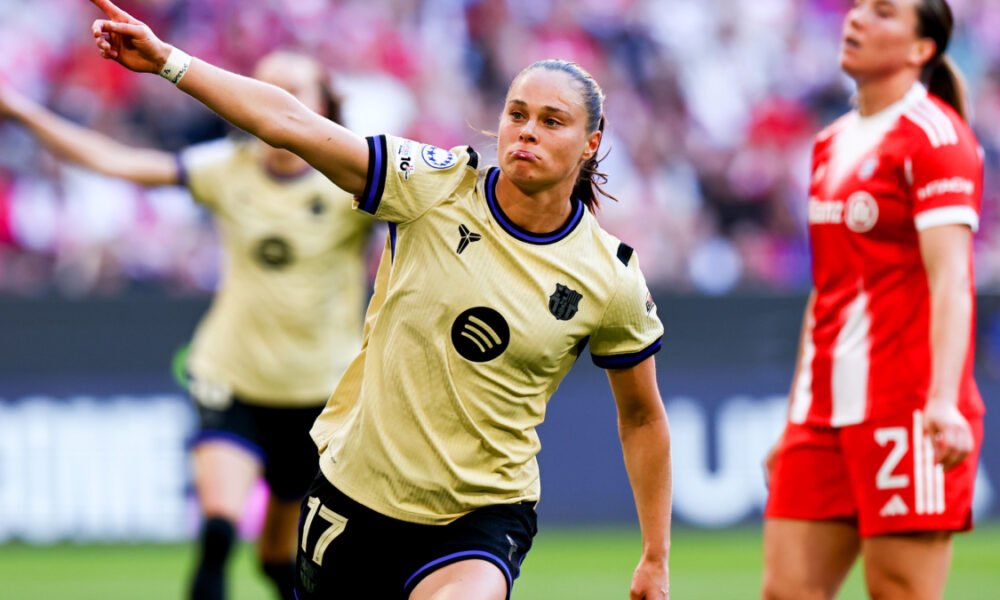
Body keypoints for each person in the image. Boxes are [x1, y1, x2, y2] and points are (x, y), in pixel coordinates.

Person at [87, 1, 673, 599]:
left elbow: (643, 416)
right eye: (517, 113)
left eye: (553, 121)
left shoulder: (610, 277)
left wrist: (655, 554)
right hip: (354, 495)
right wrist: (170, 63)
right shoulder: (431, 186)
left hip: (479, 519)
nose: (527, 130)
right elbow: (293, 122)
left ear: (590, 142)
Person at [0, 50, 375, 600]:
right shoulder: (226, 169)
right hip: (232, 375)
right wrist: (22, 112)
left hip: (318, 392)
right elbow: (115, 162)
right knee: (218, 532)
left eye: (292, 90)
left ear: (323, 105)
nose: (273, 102)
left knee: (283, 563)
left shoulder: (352, 180)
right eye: (262, 88)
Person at [762, 1, 984, 598]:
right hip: (822, 413)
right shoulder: (829, 144)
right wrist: (792, 418)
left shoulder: (937, 139)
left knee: (899, 592)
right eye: (859, 7)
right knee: (785, 591)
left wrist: (943, 402)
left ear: (921, 50)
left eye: (883, 13)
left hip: (906, 407)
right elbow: (826, 291)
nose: (857, 19)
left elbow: (951, 282)